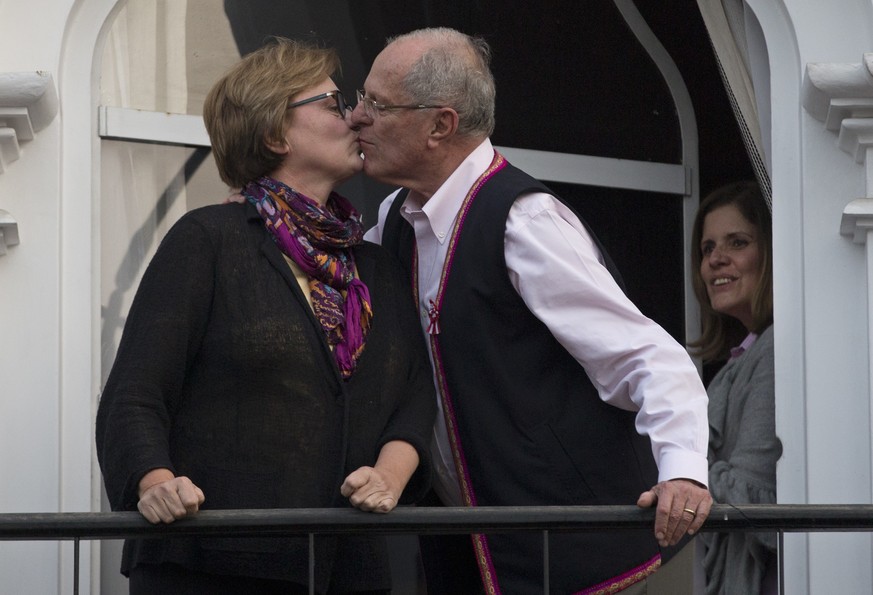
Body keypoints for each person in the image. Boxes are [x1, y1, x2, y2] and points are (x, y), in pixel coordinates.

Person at [350, 27, 713, 594]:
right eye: (359, 98)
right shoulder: (397, 214)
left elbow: (647, 356)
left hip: (584, 561)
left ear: (440, 125)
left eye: (376, 103)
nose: (356, 117)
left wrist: (684, 471)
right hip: (475, 558)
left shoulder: (523, 221)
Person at [95, 37, 436, 595]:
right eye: (331, 104)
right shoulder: (208, 240)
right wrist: (154, 483)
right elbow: (134, 394)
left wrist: (389, 477)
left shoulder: (377, 266)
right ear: (275, 133)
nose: (355, 116)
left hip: (347, 574)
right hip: (209, 568)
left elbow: (415, 397)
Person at [690, 181, 781, 595]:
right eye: (708, 249)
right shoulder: (744, 355)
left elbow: (752, 495)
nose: (716, 260)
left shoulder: (777, 349)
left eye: (737, 242)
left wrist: (682, 469)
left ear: (774, 252)